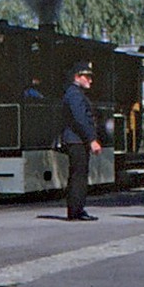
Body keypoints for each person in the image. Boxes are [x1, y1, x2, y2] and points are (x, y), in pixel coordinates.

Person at [59, 61, 101, 221]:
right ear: (77, 77)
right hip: (77, 140)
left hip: (76, 140)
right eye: (88, 77)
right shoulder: (75, 94)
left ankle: (76, 209)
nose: (90, 81)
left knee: (79, 174)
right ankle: (76, 210)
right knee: (79, 176)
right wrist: (91, 140)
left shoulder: (74, 93)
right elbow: (80, 119)